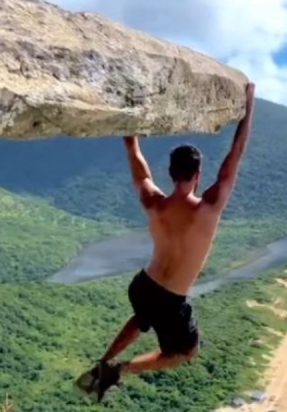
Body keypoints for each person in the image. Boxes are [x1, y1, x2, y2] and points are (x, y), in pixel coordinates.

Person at [76, 83, 256, 402]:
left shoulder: (154, 204)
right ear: (198, 174)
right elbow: (236, 154)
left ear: (171, 173)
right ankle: (117, 370)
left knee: (143, 317)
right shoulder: (208, 208)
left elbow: (138, 167)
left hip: (143, 285)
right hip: (171, 299)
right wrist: (249, 106)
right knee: (186, 351)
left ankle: (102, 363)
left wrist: (130, 129)